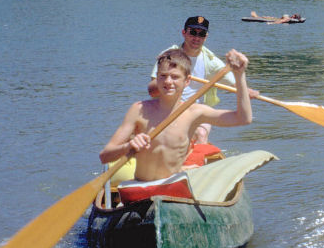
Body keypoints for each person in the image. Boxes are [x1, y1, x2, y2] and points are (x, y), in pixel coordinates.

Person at [104, 48, 253, 182]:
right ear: (157, 78)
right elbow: (105, 156)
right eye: (163, 76)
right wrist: (129, 146)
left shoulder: (195, 112)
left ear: (187, 81)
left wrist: (239, 75)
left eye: (175, 77)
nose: (168, 81)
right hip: (141, 186)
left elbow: (243, 118)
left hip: (172, 186)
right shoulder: (138, 109)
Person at [151, 16, 259, 144]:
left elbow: (236, 85)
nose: (196, 38)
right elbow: (152, 89)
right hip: (169, 108)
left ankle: (201, 161)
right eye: (193, 32)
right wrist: (169, 85)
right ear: (184, 33)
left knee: (201, 133)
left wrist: (246, 91)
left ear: (206, 37)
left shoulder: (212, 61)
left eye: (201, 34)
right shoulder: (168, 56)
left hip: (198, 110)